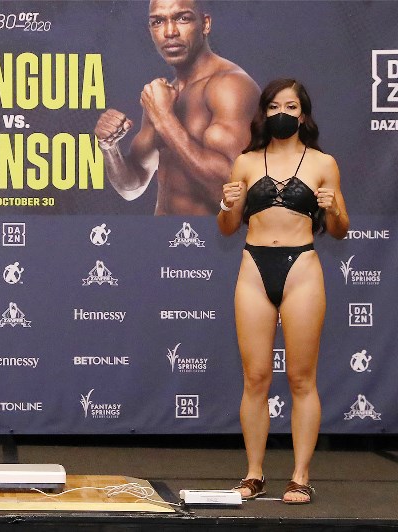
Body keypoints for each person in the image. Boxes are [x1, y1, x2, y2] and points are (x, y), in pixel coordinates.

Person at [217, 78, 349, 504]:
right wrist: (226, 204)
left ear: (303, 114)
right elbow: (227, 227)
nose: (282, 114)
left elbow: (339, 230)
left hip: (302, 269)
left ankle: (300, 475)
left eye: (290, 107)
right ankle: (253, 474)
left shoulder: (323, 163)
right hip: (254, 268)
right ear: (263, 112)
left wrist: (334, 208)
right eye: (274, 106)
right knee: (255, 377)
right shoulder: (245, 162)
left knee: (300, 378)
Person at [95, 0, 259, 215]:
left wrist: (164, 118)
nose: (169, 32)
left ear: (205, 24)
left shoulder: (230, 86)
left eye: (182, 18)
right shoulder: (163, 96)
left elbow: (232, 194)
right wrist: (109, 148)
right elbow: (132, 187)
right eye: (158, 21)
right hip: (162, 235)